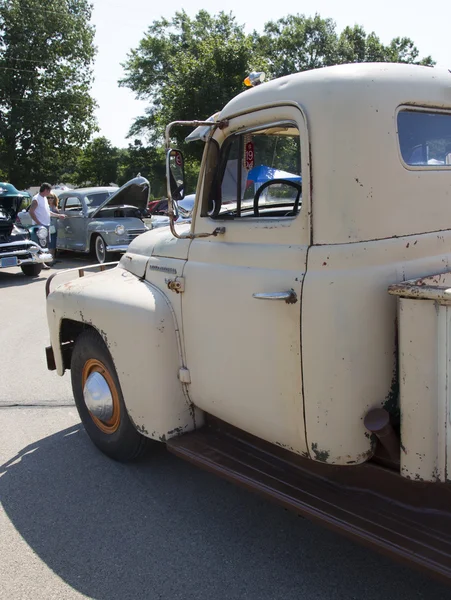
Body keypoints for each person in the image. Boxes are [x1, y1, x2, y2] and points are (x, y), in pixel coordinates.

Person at [29, 183, 65, 267]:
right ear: (45, 190)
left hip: (46, 225)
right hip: (40, 226)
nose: (50, 193)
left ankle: (43, 262)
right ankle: (41, 263)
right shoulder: (36, 199)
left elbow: (48, 212)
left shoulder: (44, 198)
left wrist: (59, 215)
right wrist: (38, 222)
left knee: (45, 245)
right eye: (49, 190)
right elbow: (31, 211)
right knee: (40, 245)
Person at [47, 192, 60, 262]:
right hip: (49, 226)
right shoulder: (47, 206)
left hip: (55, 227)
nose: (50, 199)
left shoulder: (55, 206)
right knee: (50, 243)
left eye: (52, 197)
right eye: (48, 198)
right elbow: (49, 214)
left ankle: (53, 258)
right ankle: (49, 259)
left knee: (54, 243)